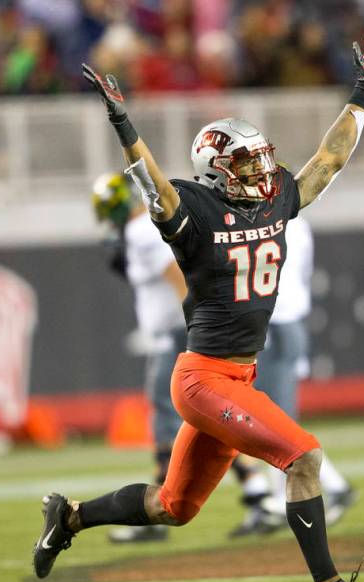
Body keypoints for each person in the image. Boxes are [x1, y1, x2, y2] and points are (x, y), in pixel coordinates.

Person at [33, 33, 364, 582]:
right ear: (215, 169)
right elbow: (154, 188)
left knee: (173, 506)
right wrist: (125, 124)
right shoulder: (196, 212)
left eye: (261, 156)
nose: (261, 168)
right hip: (204, 378)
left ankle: (69, 515)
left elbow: (329, 159)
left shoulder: (278, 196)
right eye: (245, 161)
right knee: (304, 459)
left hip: (235, 374)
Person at [91, 171, 273, 543]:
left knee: (168, 418)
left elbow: (179, 277)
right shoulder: (142, 230)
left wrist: (197, 327)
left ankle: (157, 509)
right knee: (206, 422)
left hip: (177, 334)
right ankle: (257, 490)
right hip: (177, 332)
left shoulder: (142, 232)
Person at [234, 217, 357, 537]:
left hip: (274, 321)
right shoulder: (297, 222)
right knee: (271, 420)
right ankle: (313, 490)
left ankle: (329, 487)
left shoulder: (266, 223)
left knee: (272, 420)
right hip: (290, 320)